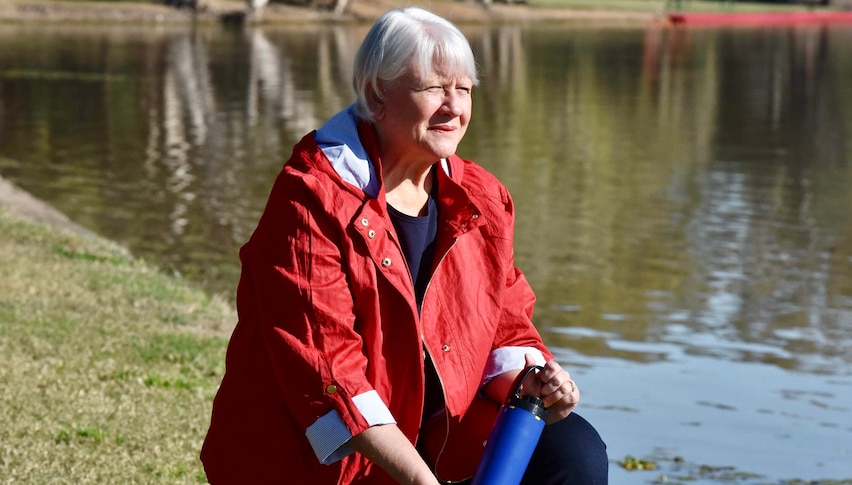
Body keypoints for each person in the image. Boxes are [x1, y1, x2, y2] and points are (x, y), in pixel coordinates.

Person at [201, 7, 607, 484]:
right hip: (317, 457)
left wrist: (534, 380)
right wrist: (420, 480)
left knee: (572, 451)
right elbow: (329, 373)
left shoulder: (483, 197)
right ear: (377, 97)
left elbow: (504, 323)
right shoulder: (310, 197)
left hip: (434, 437)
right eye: (434, 88)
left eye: (465, 89)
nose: (454, 107)